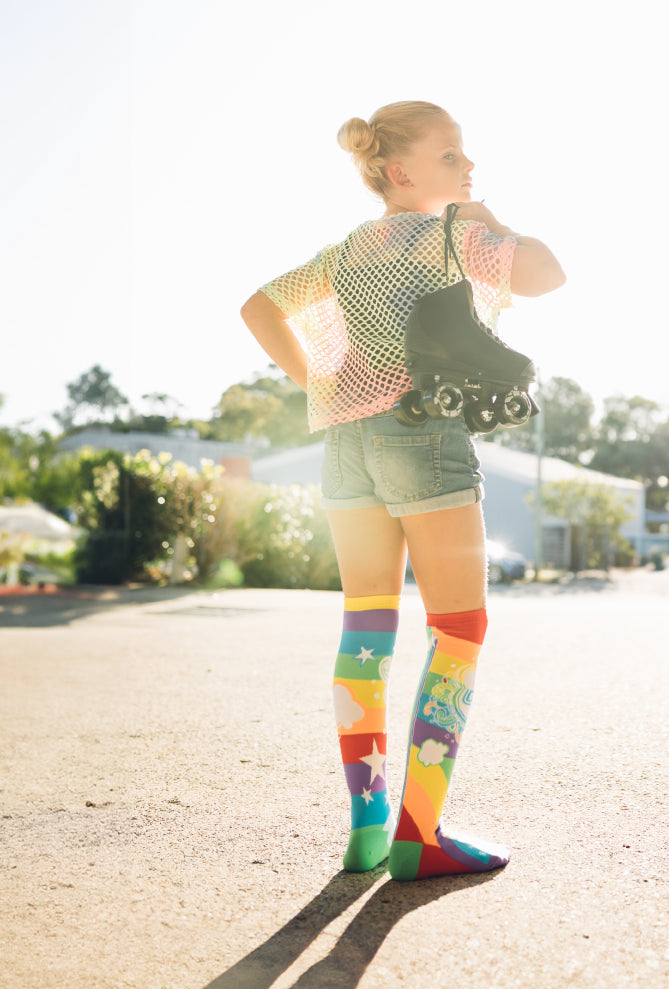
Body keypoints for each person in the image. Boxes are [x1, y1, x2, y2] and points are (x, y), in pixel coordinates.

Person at [241, 101, 564, 880]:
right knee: (458, 629)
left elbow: (258, 307)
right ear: (402, 171)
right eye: (451, 156)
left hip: (346, 445)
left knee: (366, 633)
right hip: (421, 434)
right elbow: (547, 274)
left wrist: (319, 383)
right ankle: (421, 834)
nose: (468, 167)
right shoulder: (454, 235)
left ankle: (367, 831)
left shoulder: (348, 250)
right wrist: (483, 212)